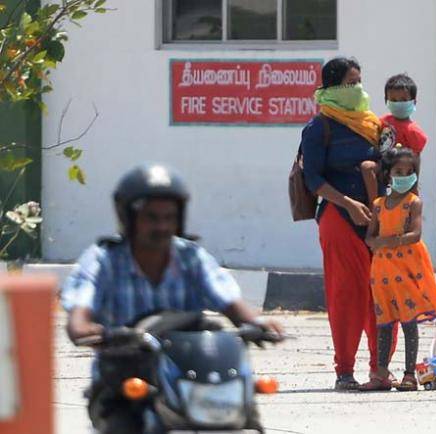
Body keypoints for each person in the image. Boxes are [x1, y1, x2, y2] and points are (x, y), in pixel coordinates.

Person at [60, 163, 282, 433]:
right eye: (152, 217)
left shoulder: (191, 257)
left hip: (192, 375)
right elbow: (79, 315)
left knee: (246, 419)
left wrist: (256, 323)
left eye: (169, 217)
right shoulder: (104, 260)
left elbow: (230, 301)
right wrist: (88, 330)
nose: (162, 225)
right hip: (125, 377)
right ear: (128, 217)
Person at [301, 57, 398, 391]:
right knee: (347, 295)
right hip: (339, 217)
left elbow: (397, 169)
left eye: (360, 80)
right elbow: (312, 178)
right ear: (331, 88)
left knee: (384, 293)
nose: (358, 88)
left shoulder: (375, 125)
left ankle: (380, 369)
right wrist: (348, 204)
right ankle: (344, 371)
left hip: (379, 220)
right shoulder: (319, 128)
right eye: (350, 83)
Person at [359, 146, 436, 392]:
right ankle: (380, 374)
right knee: (384, 324)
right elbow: (370, 236)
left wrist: (390, 242)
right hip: (383, 272)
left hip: (406, 268)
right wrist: (377, 243)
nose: (404, 175)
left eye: (409, 172)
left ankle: (409, 375)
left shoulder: (413, 203)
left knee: (409, 322)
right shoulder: (378, 205)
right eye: (399, 171)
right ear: (388, 174)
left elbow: (415, 234)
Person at [361, 73, 427, 206]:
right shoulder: (382, 122)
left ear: (414, 101)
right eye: (394, 100)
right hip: (382, 164)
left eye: (403, 100)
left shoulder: (414, 131)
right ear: (387, 101)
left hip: (400, 169)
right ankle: (374, 206)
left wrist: (414, 189)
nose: (398, 103)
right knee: (367, 167)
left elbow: (415, 160)